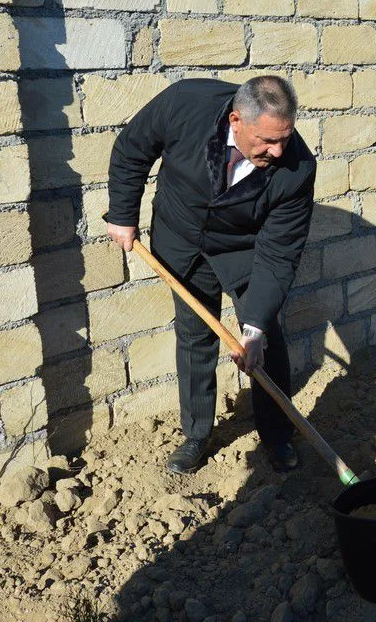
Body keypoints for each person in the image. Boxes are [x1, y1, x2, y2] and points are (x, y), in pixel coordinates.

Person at [105, 75, 316, 474]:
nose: (277, 151)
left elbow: (279, 252)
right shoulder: (185, 103)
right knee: (195, 334)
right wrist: (122, 214)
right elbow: (133, 148)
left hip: (244, 248)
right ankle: (196, 435)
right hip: (181, 236)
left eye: (285, 139)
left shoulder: (297, 168)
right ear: (236, 120)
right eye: (267, 141)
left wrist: (254, 329)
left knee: (267, 341)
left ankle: (277, 436)